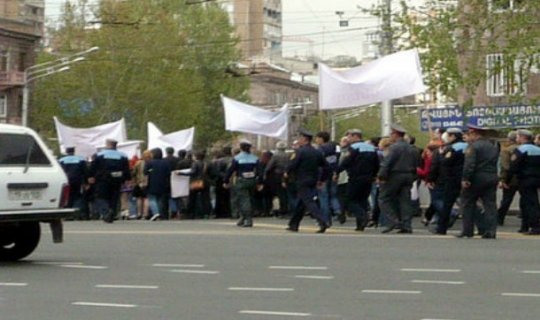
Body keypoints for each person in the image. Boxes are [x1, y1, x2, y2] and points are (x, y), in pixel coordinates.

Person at [458, 124, 499, 239]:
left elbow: (470, 164)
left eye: (469, 134)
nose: (468, 136)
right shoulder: (493, 146)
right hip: (491, 177)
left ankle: (467, 230)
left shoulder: (473, 147)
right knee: (490, 205)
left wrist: (466, 178)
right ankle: (491, 231)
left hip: (476, 178)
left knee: (468, 203)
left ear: (474, 134)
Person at [285, 129, 331, 233]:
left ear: (304, 139)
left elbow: (293, 164)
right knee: (302, 203)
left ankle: (322, 221)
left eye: (300, 138)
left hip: (302, 180)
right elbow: (327, 167)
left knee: (309, 202)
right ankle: (294, 224)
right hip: (313, 180)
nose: (299, 140)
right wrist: (322, 179)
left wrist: (287, 172)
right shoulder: (317, 152)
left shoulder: (300, 152)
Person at [377, 124, 419, 234]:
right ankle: (407, 225)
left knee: (384, 198)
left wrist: (381, 176)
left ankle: (393, 221)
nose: (391, 136)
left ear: (396, 134)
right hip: (409, 175)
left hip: (395, 175)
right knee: (405, 200)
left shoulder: (394, 148)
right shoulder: (412, 148)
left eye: (392, 134)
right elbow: (417, 164)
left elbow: (387, 163)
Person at [336, 129, 379, 231]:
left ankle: (363, 216)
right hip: (368, 178)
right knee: (362, 200)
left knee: (350, 200)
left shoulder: (354, 148)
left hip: (355, 177)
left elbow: (346, 161)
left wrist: (337, 171)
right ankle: (360, 225)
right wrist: (374, 175)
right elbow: (376, 164)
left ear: (356, 136)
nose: (348, 139)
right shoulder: (371, 148)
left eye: (350, 136)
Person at [432, 128, 468, 235]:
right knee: (469, 203)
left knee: (447, 204)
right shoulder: (468, 146)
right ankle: (479, 227)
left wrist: (442, 155)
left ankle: (441, 228)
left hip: (452, 179)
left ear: (453, 136)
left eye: (448, 135)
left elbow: (446, 162)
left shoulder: (451, 148)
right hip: (466, 178)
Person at [504, 129, 540, 235]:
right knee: (530, 202)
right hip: (537, 179)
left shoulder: (521, 150)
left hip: (525, 180)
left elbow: (513, 167)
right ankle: (525, 226)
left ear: (523, 137)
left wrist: (507, 180)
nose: (516, 138)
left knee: (528, 203)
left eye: (518, 136)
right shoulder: (537, 149)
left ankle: (535, 226)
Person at [88, 139, 131, 223]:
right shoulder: (123, 156)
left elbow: (93, 167)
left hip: (103, 179)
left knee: (100, 197)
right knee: (114, 197)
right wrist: (127, 179)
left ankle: (106, 212)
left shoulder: (100, 155)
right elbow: (126, 169)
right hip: (117, 179)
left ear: (107, 145)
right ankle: (112, 212)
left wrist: (90, 176)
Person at [223, 140, 262, 227]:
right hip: (252, 180)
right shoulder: (254, 158)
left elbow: (231, 170)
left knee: (243, 200)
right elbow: (260, 171)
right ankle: (243, 218)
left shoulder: (237, 158)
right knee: (250, 199)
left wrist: (225, 181)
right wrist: (260, 182)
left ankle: (248, 219)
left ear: (241, 148)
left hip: (241, 180)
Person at [315, 131, 342, 225]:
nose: (316, 140)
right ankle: (338, 210)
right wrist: (336, 172)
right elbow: (338, 159)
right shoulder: (336, 146)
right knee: (333, 195)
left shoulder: (320, 149)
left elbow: (320, 165)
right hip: (333, 173)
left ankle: (326, 219)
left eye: (317, 138)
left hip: (324, 175)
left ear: (321, 139)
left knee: (323, 197)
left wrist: (319, 179)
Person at [58, 146, 87, 219]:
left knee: (67, 196)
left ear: (66, 152)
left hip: (66, 180)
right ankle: (78, 213)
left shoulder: (61, 160)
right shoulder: (80, 159)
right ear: (74, 152)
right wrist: (85, 182)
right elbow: (85, 171)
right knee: (77, 196)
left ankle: (68, 214)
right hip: (77, 180)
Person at [497, 131, 519, 226]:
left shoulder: (506, 150)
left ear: (509, 139)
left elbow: (505, 166)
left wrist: (502, 179)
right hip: (522, 178)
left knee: (506, 200)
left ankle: (500, 218)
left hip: (511, 179)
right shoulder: (522, 149)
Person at [145, 148, 172, 221]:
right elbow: (169, 173)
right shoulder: (166, 163)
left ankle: (156, 212)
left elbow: (145, 173)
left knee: (152, 198)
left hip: (152, 183)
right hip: (163, 183)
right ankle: (160, 213)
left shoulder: (149, 163)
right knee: (160, 199)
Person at [264, 141, 289, 218]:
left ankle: (282, 211)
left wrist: (265, 173)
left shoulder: (276, 156)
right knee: (285, 194)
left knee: (280, 194)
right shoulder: (288, 155)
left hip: (278, 175)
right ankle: (286, 210)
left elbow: (269, 166)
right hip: (286, 175)